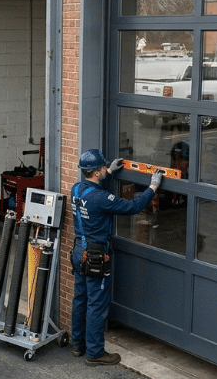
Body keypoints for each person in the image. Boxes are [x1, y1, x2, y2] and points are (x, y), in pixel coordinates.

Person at [70, 148, 165, 366]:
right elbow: (133, 206)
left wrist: (111, 172)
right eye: (103, 167)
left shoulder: (76, 189)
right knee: (96, 304)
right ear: (95, 172)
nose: (106, 168)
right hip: (95, 255)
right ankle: (95, 353)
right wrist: (153, 186)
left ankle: (78, 344)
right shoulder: (101, 198)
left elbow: (93, 194)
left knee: (80, 298)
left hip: (79, 251)